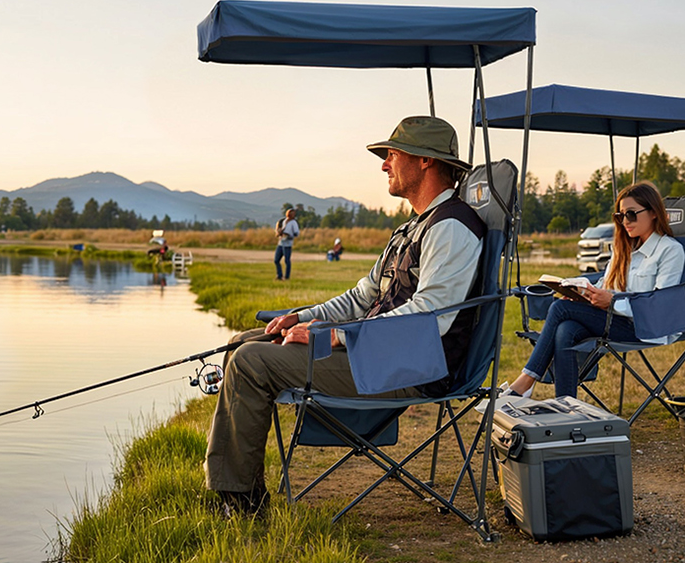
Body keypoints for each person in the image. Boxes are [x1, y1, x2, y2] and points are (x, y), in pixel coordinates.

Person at [206, 116, 486, 517]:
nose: (384, 164)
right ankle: (233, 486)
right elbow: (362, 296)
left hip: (413, 366)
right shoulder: (412, 228)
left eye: (392, 154)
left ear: (425, 160)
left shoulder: (452, 228)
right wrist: (301, 316)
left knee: (252, 363)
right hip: (377, 353)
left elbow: (431, 315)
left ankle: (240, 502)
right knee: (242, 344)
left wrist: (335, 336)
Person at [503, 181, 685, 400]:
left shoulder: (670, 251)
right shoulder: (624, 249)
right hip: (614, 321)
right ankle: (566, 404)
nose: (625, 221)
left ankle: (525, 382)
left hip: (647, 327)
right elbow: (606, 285)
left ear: (654, 212)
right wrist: (580, 292)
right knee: (566, 329)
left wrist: (612, 302)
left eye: (631, 214)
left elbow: (661, 305)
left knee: (560, 308)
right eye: (620, 216)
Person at [273, 209, 299, 280]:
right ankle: (279, 275)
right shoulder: (284, 221)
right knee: (276, 260)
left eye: (293, 214)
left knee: (287, 261)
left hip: (287, 244)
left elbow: (296, 233)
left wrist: (289, 235)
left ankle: (287, 276)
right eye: (291, 213)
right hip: (281, 243)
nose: (292, 215)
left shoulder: (294, 223)